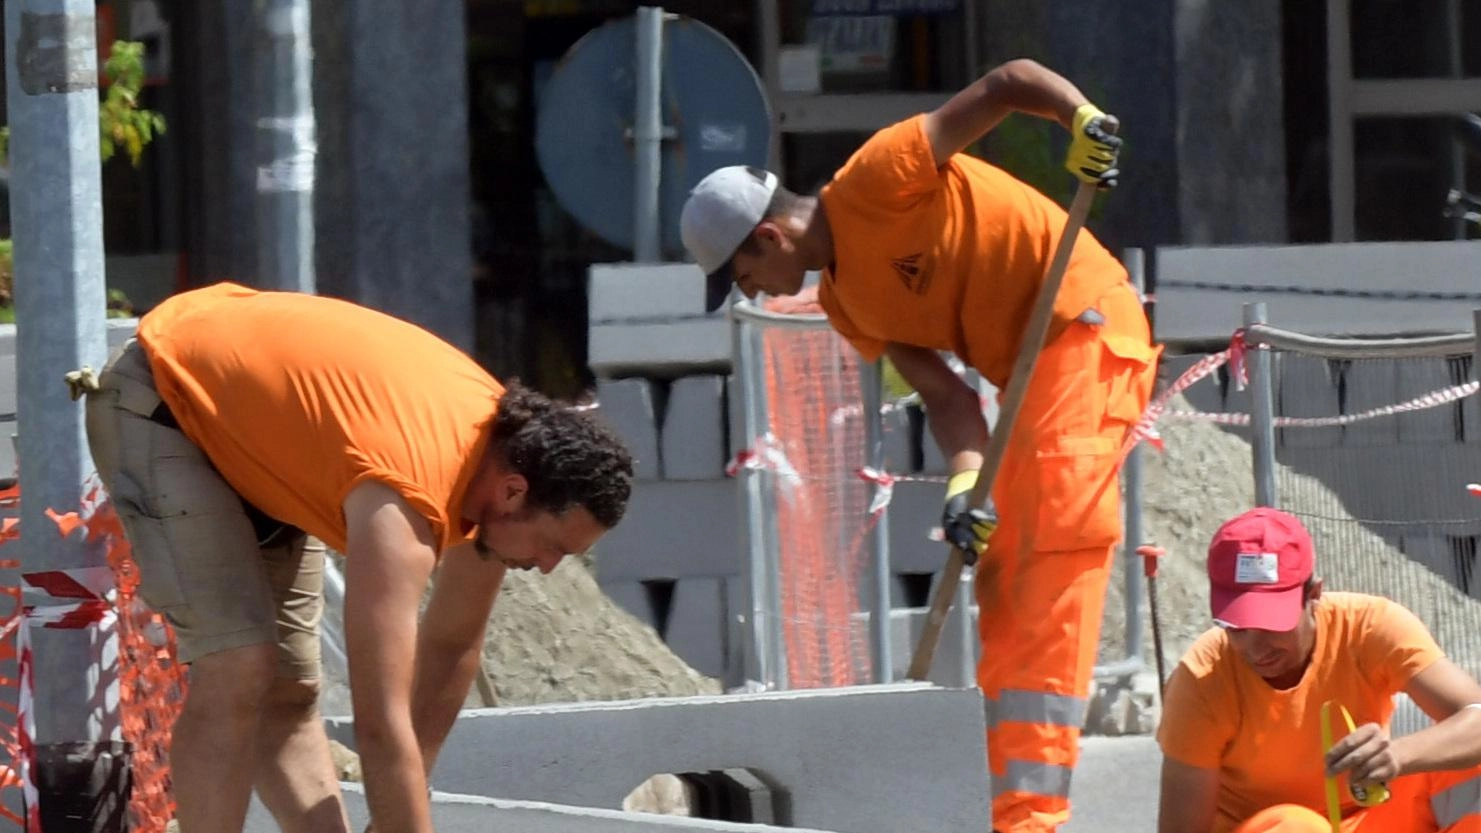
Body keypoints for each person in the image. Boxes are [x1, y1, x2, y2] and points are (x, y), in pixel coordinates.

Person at [678, 58, 1158, 832]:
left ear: (768, 235)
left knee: (1048, 548)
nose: (756, 294)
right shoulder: (844, 301)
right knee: (1003, 571)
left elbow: (1005, 84)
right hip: (1028, 374)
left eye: (744, 275)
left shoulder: (874, 177)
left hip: (1083, 324)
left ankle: (1029, 813)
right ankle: (1015, 804)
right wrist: (964, 485)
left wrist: (1078, 119)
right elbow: (946, 396)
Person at [80, 281, 634, 833]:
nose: (547, 567)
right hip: (164, 393)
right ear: (515, 492)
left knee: (291, 693)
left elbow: (451, 644)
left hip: (256, 433)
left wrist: (399, 812)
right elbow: (379, 719)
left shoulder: (502, 459)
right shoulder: (406, 506)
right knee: (239, 664)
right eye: (554, 546)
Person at [1157, 507, 1481, 833]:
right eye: (1237, 627)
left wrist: (1399, 754)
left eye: (1272, 624)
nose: (1255, 650)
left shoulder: (1371, 628)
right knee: (1296, 826)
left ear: (1313, 594)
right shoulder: (1202, 678)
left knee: (1473, 764)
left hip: (1370, 817)